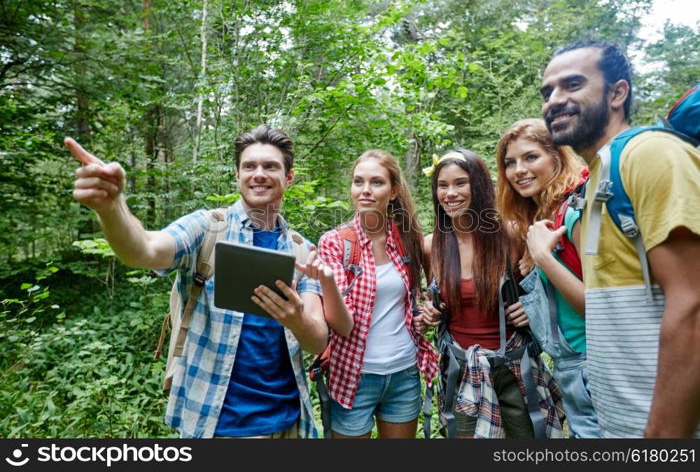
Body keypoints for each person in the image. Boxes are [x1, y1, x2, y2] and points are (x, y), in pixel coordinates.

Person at [65, 125, 328, 438]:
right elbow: (144, 250)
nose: (258, 173)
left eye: (270, 166)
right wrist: (112, 209)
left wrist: (297, 320)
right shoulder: (207, 228)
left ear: (289, 177)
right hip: (211, 422)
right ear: (238, 175)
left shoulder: (302, 249)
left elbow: (318, 341)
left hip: (288, 426)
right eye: (249, 166)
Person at [541, 40, 700, 437]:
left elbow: (693, 303)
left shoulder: (650, 154)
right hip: (620, 424)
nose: (555, 100)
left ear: (617, 93)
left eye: (573, 85)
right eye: (548, 92)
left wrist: (663, 437)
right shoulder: (599, 176)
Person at [418, 149, 565, 438]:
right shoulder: (430, 245)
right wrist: (429, 309)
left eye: (461, 183)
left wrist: (529, 308)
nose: (450, 193)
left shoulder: (511, 235)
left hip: (514, 367)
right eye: (442, 185)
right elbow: (427, 297)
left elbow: (549, 287)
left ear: (480, 185)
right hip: (461, 371)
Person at [300, 149, 438, 438]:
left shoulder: (407, 237)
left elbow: (416, 297)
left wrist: (423, 314)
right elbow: (342, 325)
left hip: (404, 372)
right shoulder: (336, 243)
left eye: (376, 182)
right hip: (353, 376)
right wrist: (326, 281)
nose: (365, 190)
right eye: (358, 181)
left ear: (394, 191)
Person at [496, 118, 601, 438]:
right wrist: (536, 308)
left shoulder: (575, 213)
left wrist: (542, 257)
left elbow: (597, 306)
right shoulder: (543, 216)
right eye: (510, 163)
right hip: (570, 367)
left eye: (531, 157)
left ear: (557, 156)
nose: (518, 171)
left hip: (593, 364)